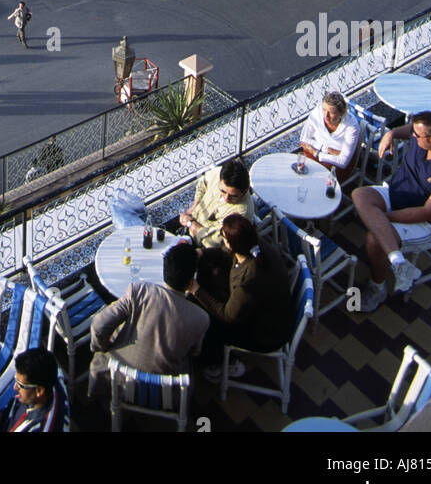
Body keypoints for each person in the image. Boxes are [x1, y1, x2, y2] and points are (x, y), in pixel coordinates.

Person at [352, 112, 431, 312]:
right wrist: (391, 133)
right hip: (398, 195)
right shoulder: (423, 136)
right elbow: (410, 129)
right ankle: (398, 261)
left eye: (417, 136)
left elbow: (426, 213)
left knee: (374, 238)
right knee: (359, 195)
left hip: (425, 224)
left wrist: (381, 219)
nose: (413, 137)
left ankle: (377, 288)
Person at [88, 241, 209, 396]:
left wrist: (103, 346)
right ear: (191, 281)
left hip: (118, 380)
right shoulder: (201, 318)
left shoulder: (140, 290)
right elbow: (194, 352)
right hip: (164, 393)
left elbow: (99, 325)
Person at [191, 214, 293, 374]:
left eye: (223, 237)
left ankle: (220, 364)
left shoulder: (247, 279)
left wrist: (195, 289)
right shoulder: (254, 246)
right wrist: (201, 253)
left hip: (266, 334)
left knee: (209, 320)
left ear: (233, 244)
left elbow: (227, 316)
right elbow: (224, 254)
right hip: (277, 312)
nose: (223, 240)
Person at [0, 348, 70, 433]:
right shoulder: (52, 380)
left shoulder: (40, 427)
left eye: (20, 385)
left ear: (39, 391)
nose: (15, 387)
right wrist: (0, 416)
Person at [179, 159, 255, 248]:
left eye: (233, 196)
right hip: (192, 224)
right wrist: (193, 207)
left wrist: (190, 223)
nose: (226, 198)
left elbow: (214, 241)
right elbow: (203, 183)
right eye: (222, 191)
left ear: (245, 191)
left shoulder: (241, 214)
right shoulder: (217, 174)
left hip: (206, 248)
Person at [299, 93, 361, 180]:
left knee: (319, 177)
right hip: (321, 152)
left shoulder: (351, 126)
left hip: (336, 164)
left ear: (342, 113)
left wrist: (317, 153)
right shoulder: (317, 113)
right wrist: (327, 149)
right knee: (301, 168)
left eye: (332, 113)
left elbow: (343, 162)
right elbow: (303, 140)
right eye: (324, 110)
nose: (326, 116)